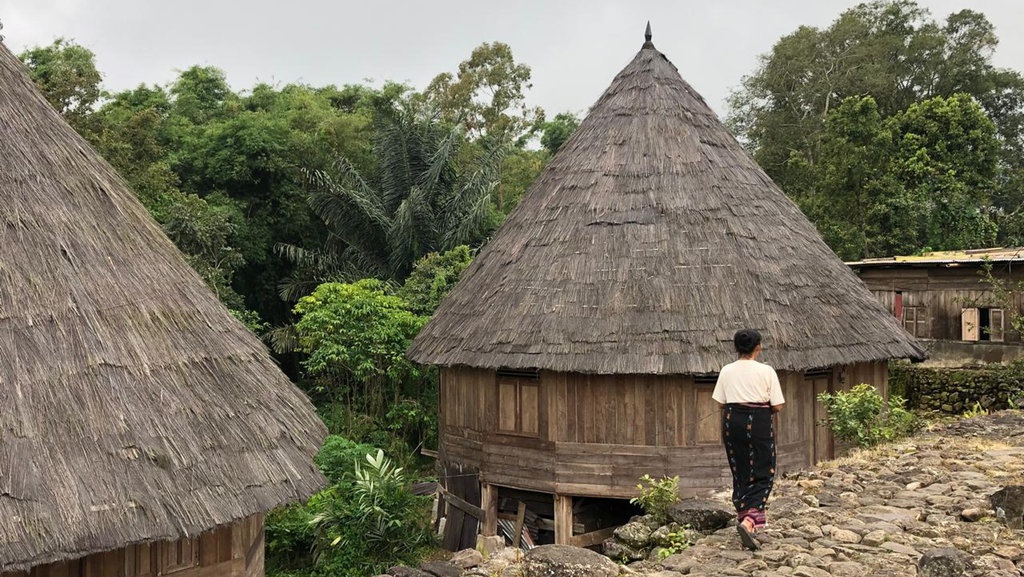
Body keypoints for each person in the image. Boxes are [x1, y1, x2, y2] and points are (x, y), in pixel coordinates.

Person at [712, 329, 784, 551]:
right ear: (758, 347)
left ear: (735, 347)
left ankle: (743, 512)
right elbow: (778, 406)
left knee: (740, 467)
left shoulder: (726, 370)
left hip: (732, 420)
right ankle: (750, 521)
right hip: (759, 420)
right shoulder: (766, 371)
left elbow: (720, 402)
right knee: (764, 469)